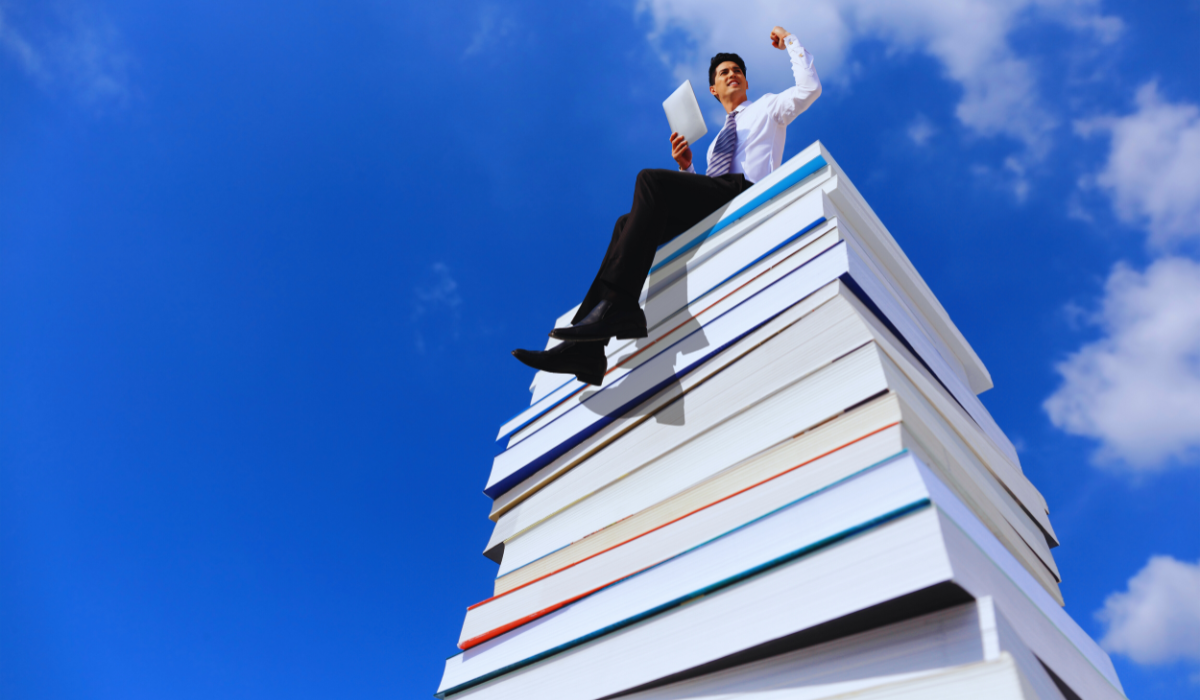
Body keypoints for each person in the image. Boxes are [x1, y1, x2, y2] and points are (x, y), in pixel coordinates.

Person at [513, 25, 821, 386]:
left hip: (747, 191)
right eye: (724, 73)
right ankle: (589, 349)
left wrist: (791, 43)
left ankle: (619, 306)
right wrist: (688, 167)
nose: (732, 75)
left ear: (746, 82)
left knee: (649, 180)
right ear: (714, 89)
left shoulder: (768, 106)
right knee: (624, 224)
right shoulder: (715, 142)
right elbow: (708, 190)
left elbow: (809, 89)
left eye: (737, 71)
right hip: (720, 195)